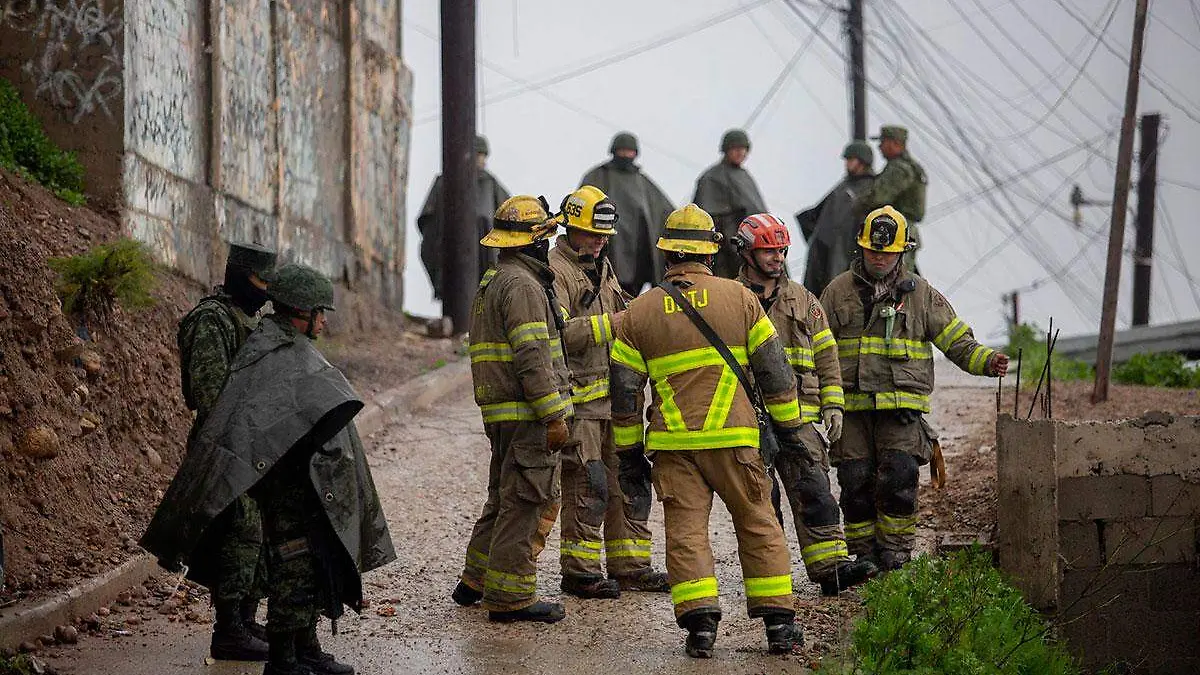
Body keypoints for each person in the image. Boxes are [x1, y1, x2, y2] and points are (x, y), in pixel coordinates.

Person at [144, 263, 395, 675]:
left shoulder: (289, 346)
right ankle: (284, 658)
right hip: (286, 486)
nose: (325, 321)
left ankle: (306, 648)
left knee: (313, 563)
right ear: (301, 312)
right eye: (320, 312)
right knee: (293, 565)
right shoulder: (272, 351)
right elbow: (265, 420)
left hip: (305, 483)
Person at [610, 204, 805, 658]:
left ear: (667, 255)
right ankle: (778, 626)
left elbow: (624, 392)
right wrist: (791, 430)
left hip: (674, 448)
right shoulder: (740, 299)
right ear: (712, 253)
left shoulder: (639, 312)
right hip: (736, 441)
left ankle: (700, 629)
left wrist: (628, 452)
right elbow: (774, 372)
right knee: (759, 523)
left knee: (685, 534)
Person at [820, 206, 1008, 571]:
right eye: (873, 251)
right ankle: (864, 554)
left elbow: (955, 340)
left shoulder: (921, 296)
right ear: (861, 248)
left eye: (887, 253)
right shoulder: (836, 292)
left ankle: (896, 552)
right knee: (855, 481)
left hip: (901, 411)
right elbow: (814, 346)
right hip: (852, 410)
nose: (879, 259)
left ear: (902, 253)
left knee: (900, 477)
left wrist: (987, 362)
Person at [731, 213, 878, 595]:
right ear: (747, 252)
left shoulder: (804, 299)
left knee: (815, 490)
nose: (778, 258)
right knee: (763, 501)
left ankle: (830, 567)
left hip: (799, 417)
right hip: (751, 418)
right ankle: (773, 578)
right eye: (769, 251)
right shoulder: (732, 299)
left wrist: (833, 405)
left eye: (781, 250)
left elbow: (827, 355)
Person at [451, 195, 575, 624]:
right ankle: (510, 598)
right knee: (525, 501)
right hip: (528, 415)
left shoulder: (495, 278)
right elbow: (532, 357)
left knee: (502, 496)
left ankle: (476, 580)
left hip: (503, 413)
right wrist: (554, 414)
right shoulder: (523, 285)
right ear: (534, 242)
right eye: (546, 236)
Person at [548, 186, 670, 600]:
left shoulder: (601, 267)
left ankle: (631, 565)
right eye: (592, 235)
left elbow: (621, 307)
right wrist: (613, 324)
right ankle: (580, 571)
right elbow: (559, 333)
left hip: (615, 403)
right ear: (570, 229)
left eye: (604, 237)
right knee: (588, 483)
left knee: (626, 482)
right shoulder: (556, 272)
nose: (600, 243)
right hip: (580, 404)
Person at [173, 241, 276, 661]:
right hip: (223, 445)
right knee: (241, 528)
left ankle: (246, 620)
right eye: (260, 282)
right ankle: (228, 627)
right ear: (240, 276)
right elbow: (210, 394)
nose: (265, 292)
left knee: (259, 529)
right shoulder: (212, 320)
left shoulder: (246, 320)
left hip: (250, 443)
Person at [579, 132, 675, 296]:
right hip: (606, 248)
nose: (625, 155)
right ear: (614, 151)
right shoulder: (598, 176)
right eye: (622, 150)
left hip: (638, 255)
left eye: (629, 151)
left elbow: (666, 212)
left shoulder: (643, 182)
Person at [417, 135, 511, 299]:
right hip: (452, 261)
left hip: (485, 266)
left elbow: (510, 216)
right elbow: (429, 227)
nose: (483, 162)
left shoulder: (490, 184)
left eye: (484, 157)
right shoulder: (444, 182)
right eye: (480, 156)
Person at [795, 141, 876, 296]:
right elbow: (821, 215)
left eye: (851, 160)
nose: (847, 164)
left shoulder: (870, 188)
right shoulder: (844, 186)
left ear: (863, 162)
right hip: (826, 250)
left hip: (848, 253)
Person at [692, 129, 768, 279]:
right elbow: (708, 221)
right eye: (736, 148)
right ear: (727, 149)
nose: (741, 153)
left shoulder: (744, 176)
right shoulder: (712, 178)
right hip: (725, 254)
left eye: (744, 149)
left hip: (753, 247)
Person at [854, 126, 927, 273]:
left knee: (895, 279)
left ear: (895, 144)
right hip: (900, 230)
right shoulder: (907, 166)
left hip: (896, 232)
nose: (880, 147)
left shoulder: (899, 169)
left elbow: (879, 198)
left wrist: (859, 204)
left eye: (883, 142)